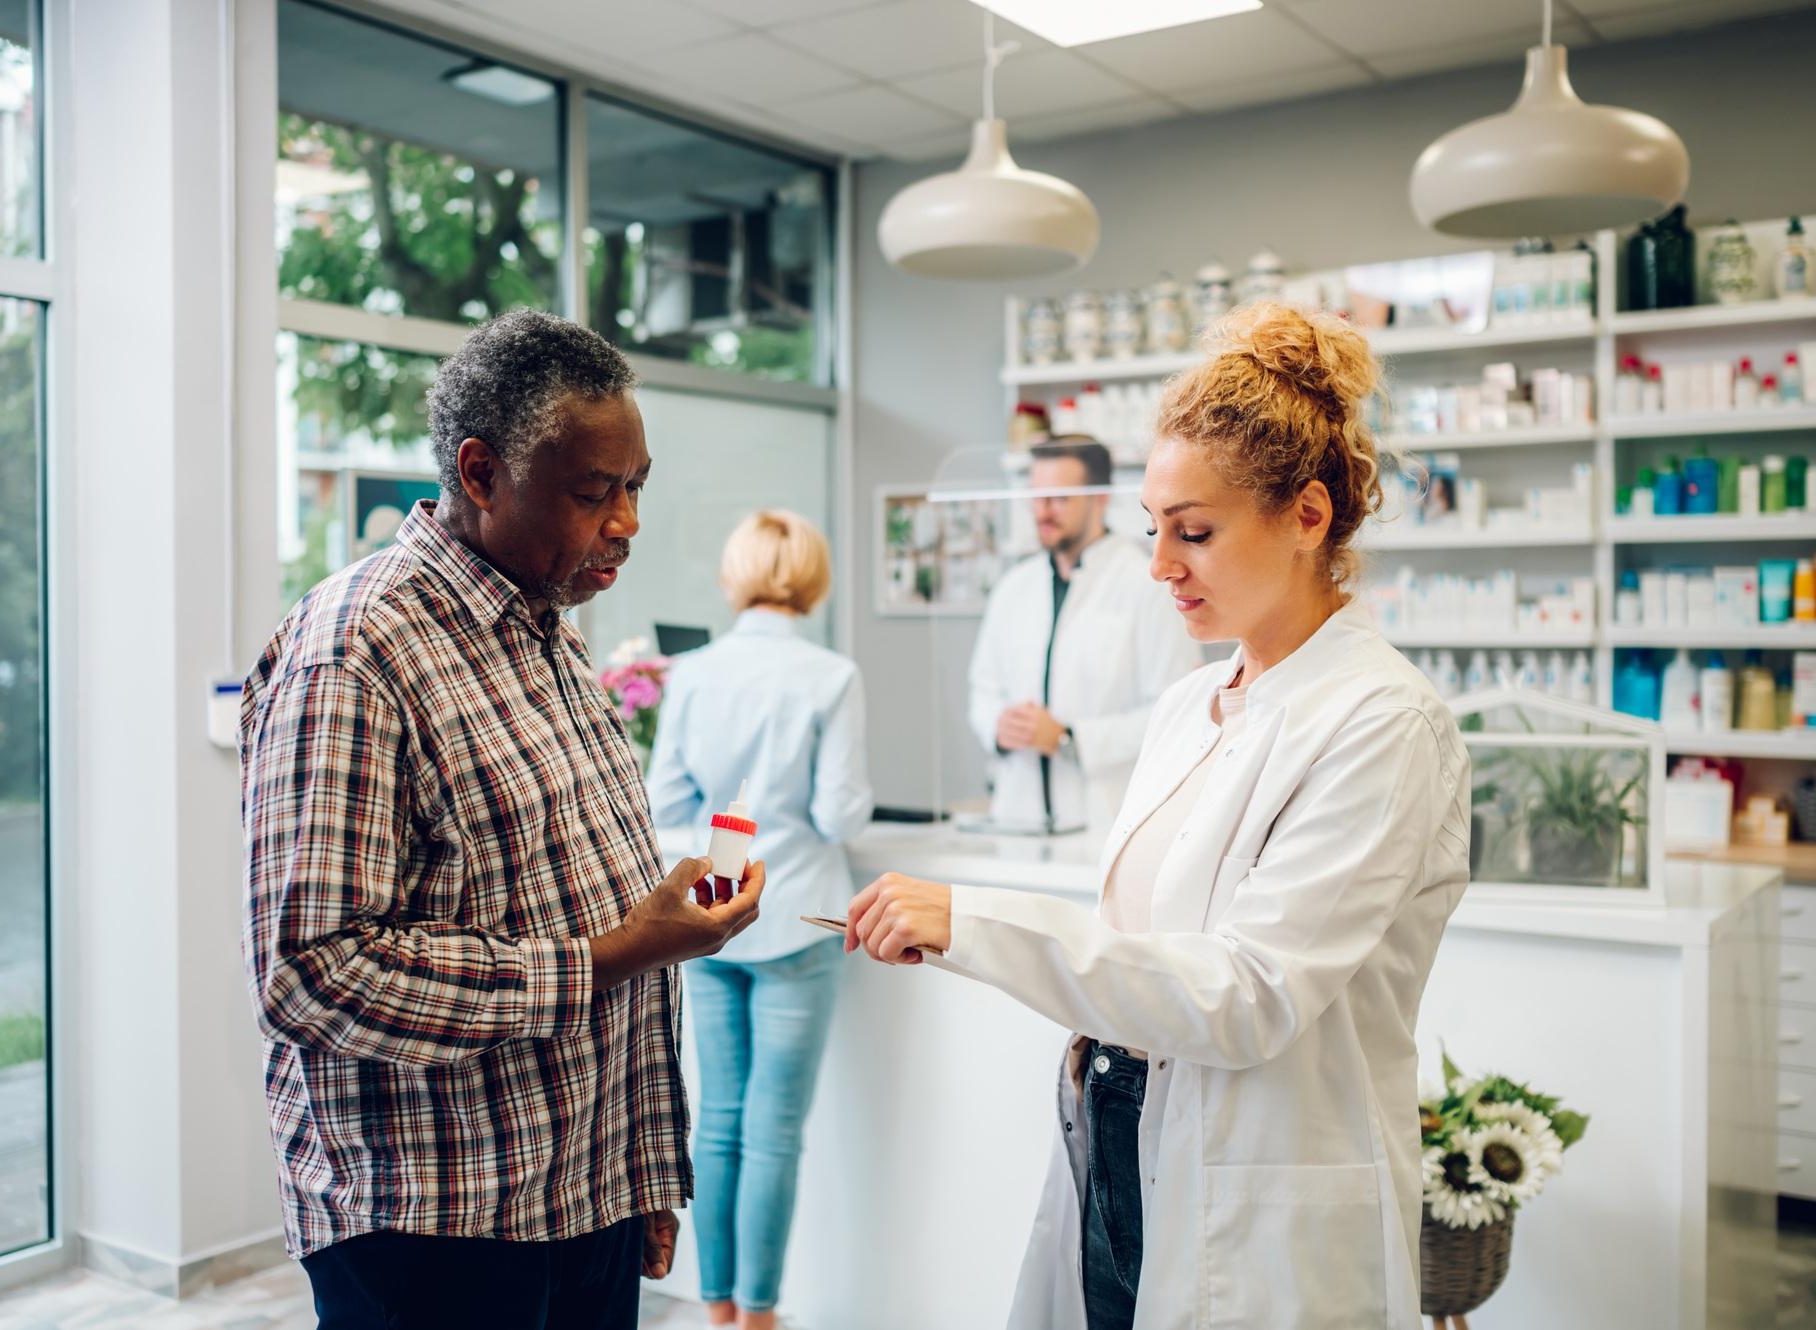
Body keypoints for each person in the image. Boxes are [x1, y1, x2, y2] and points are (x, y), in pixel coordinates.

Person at [845, 303, 1472, 1329]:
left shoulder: (1381, 722)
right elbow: (1141, 946)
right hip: (1119, 1149)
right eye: (1151, 530)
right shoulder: (1190, 705)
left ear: (1306, 514)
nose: (1158, 565)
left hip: (1259, 1195)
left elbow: (1248, 992)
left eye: (1194, 531)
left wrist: (978, 924)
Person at [240, 309, 766, 1330]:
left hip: (579, 1206)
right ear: (479, 473)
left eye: (634, 487)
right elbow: (311, 970)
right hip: (432, 1236)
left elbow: (587, 895)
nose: (626, 521)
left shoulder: (550, 637)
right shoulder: (355, 650)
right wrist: (611, 954)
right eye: (592, 491)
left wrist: (639, 1169)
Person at [647, 510, 872, 1330]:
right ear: (812, 577)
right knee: (774, 1130)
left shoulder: (694, 672)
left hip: (712, 918)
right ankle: (761, 1317)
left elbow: (666, 802)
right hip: (799, 917)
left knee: (721, 1122)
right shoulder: (831, 675)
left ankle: (714, 1308)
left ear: (735, 574)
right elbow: (840, 815)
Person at [967, 436, 1198, 834]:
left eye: (1060, 498)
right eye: (1037, 497)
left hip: (1105, 820)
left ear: (1101, 497)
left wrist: (1069, 739)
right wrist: (998, 727)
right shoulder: (1013, 588)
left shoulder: (1146, 585)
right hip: (1017, 820)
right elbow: (982, 690)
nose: (1044, 511)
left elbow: (1174, 711)